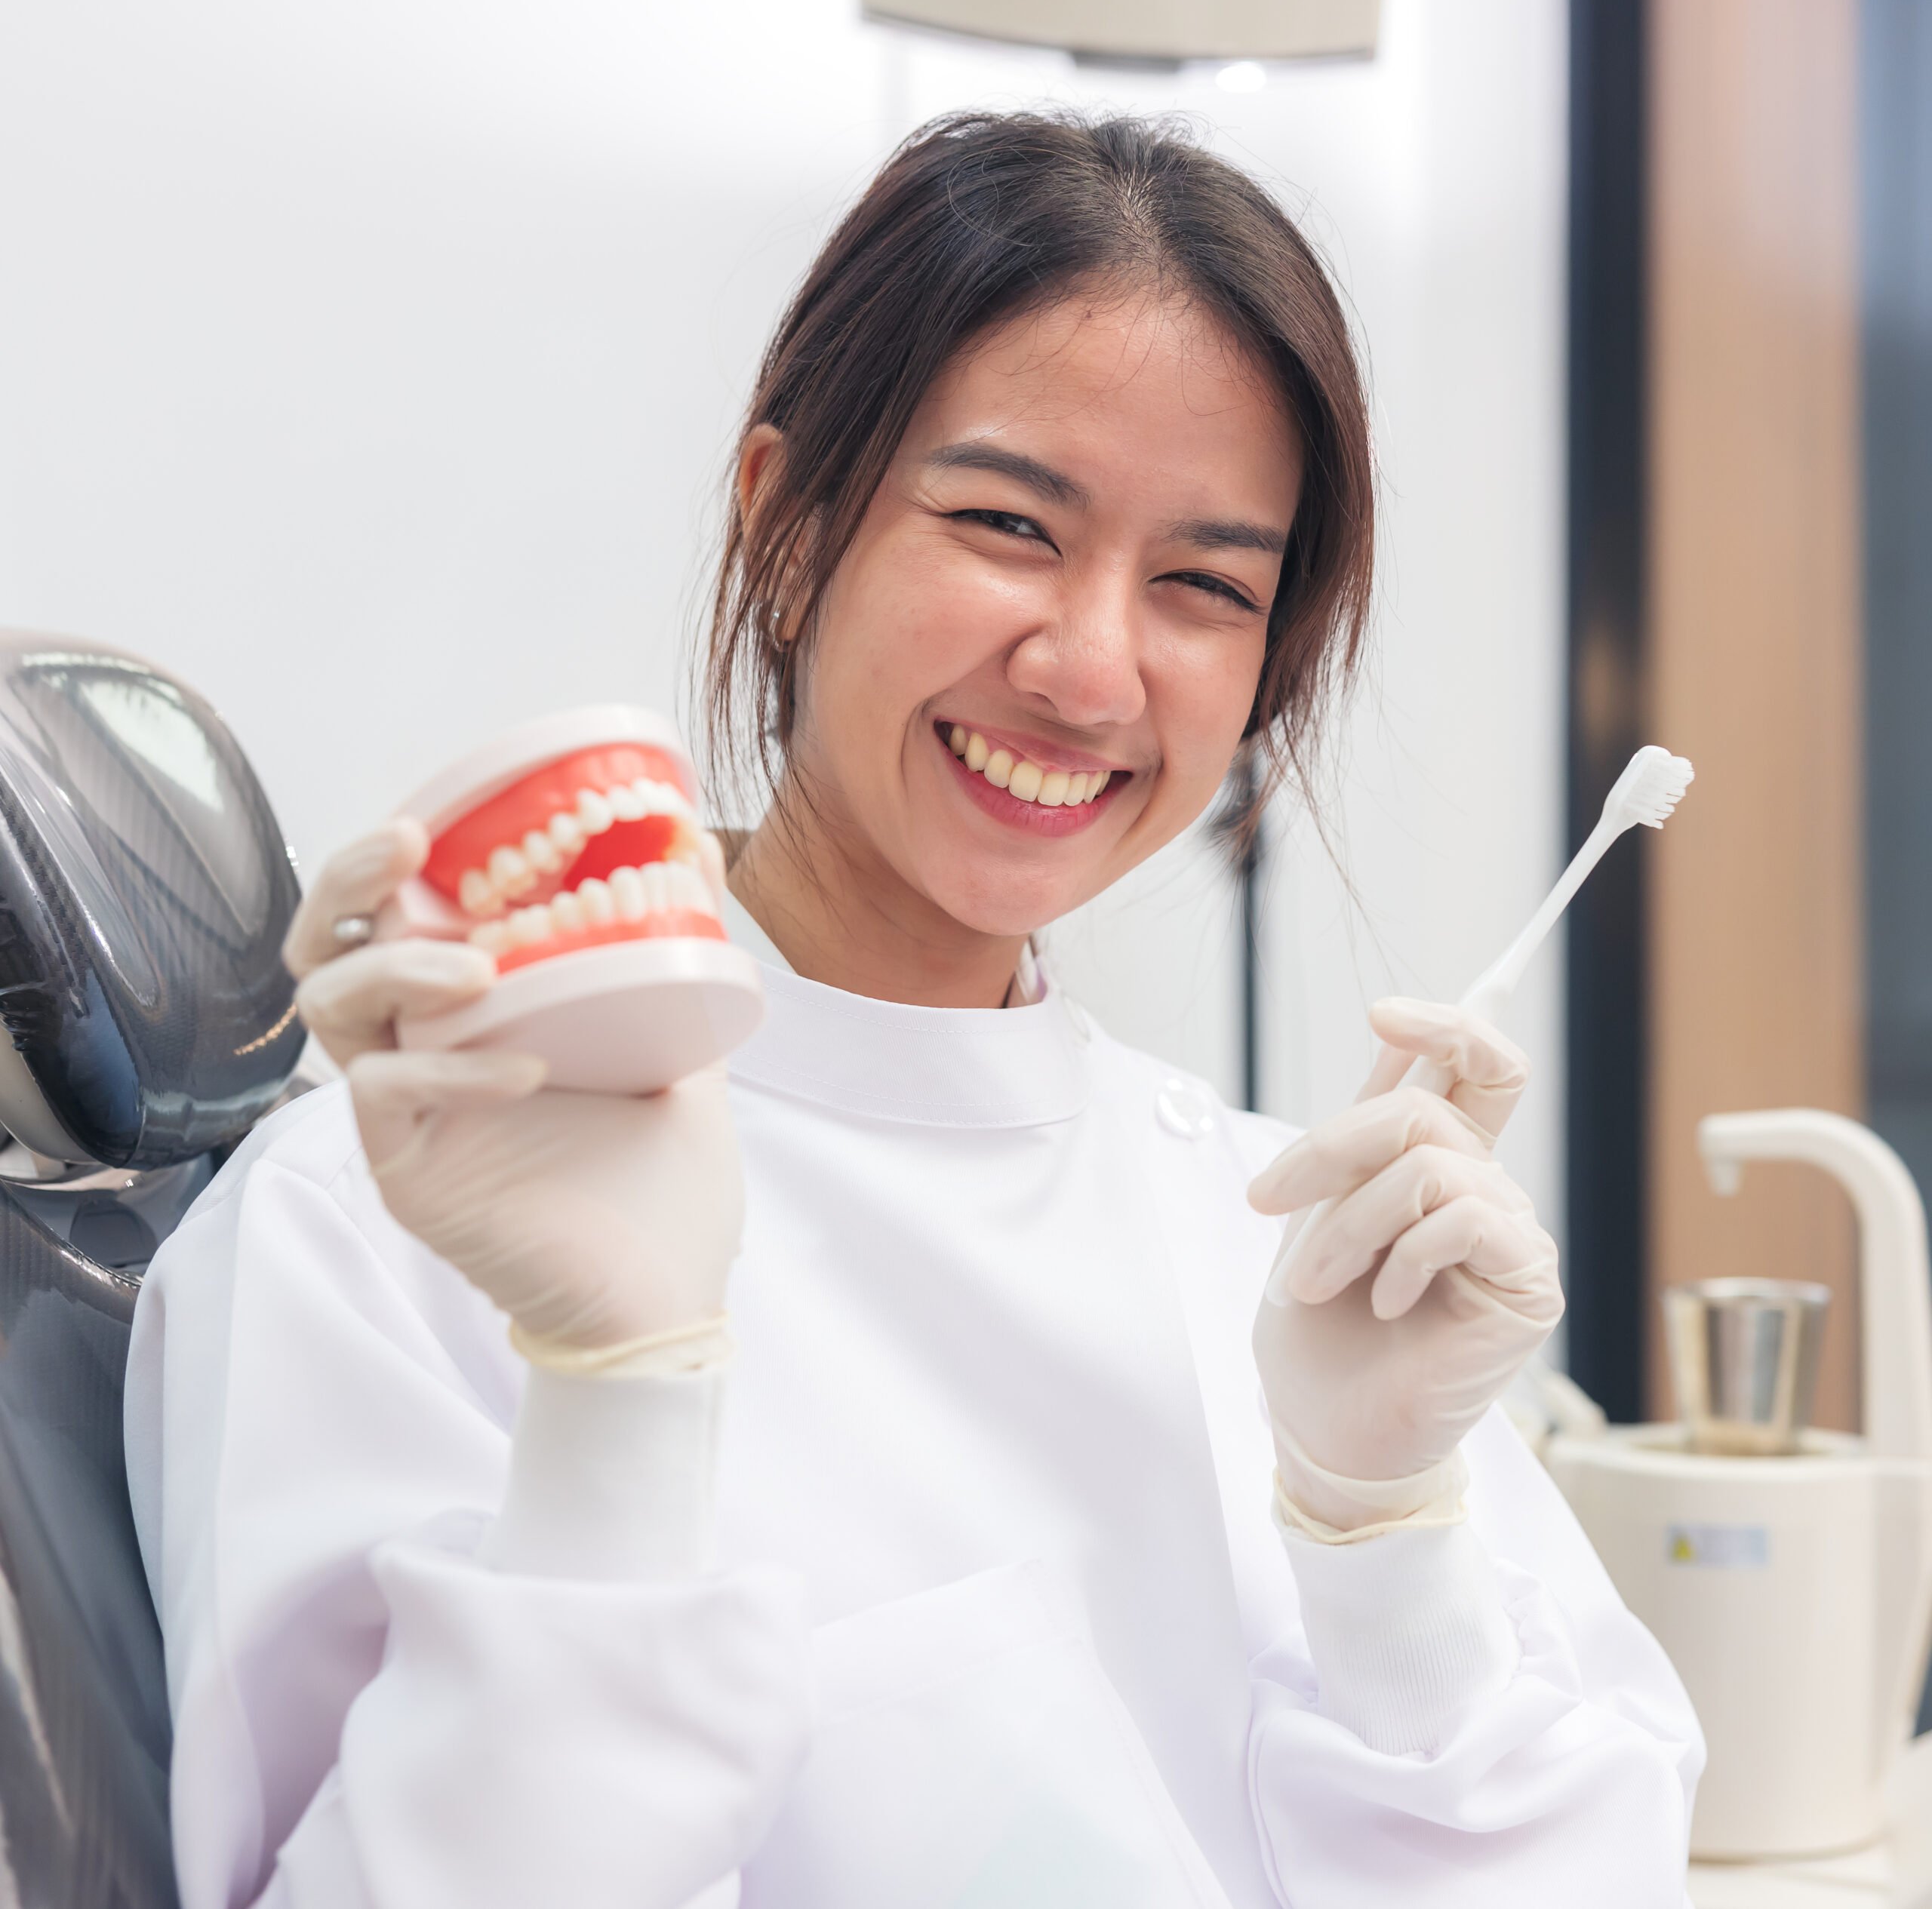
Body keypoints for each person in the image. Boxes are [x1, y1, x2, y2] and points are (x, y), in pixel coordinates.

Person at [125, 111, 1702, 1908]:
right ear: (786, 526)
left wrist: (1384, 1538)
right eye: (1005, 524)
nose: (1091, 667)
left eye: (1203, 584)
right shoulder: (382, 1230)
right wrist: (615, 1410)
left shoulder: (1265, 1240)